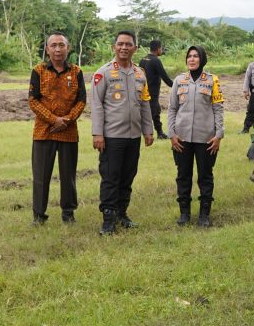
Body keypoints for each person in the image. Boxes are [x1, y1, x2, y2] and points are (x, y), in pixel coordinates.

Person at [89, 30, 154, 235]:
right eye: (120, 44)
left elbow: (144, 104)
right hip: (111, 137)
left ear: (135, 48)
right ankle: (108, 220)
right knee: (110, 177)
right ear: (114, 47)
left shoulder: (139, 74)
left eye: (128, 44)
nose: (124, 47)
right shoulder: (104, 73)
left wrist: (148, 130)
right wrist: (97, 134)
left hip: (133, 136)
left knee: (128, 176)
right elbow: (97, 105)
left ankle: (122, 214)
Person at [28, 32, 87, 225]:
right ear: (47, 49)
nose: (58, 49)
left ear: (68, 48)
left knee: (68, 176)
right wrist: (54, 120)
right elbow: (33, 101)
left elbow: (81, 100)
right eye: (53, 45)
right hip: (43, 132)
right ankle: (39, 215)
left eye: (61, 45)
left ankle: (68, 214)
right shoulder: (38, 71)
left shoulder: (76, 72)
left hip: (69, 132)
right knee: (40, 177)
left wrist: (67, 119)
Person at [167, 45, 224, 227]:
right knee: (183, 175)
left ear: (202, 59)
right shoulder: (179, 80)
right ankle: (184, 213)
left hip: (206, 138)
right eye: (189, 56)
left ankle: (204, 215)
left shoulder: (212, 81)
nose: (191, 59)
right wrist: (172, 134)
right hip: (182, 137)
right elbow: (172, 108)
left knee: (205, 176)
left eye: (195, 56)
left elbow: (218, 108)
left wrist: (219, 135)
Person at [138, 39, 173, 140]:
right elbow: (165, 77)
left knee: (153, 112)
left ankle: (159, 133)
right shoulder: (156, 60)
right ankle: (152, 134)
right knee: (152, 114)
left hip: (143, 92)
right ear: (158, 49)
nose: (161, 50)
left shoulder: (143, 59)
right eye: (161, 48)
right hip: (152, 93)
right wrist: (177, 85)